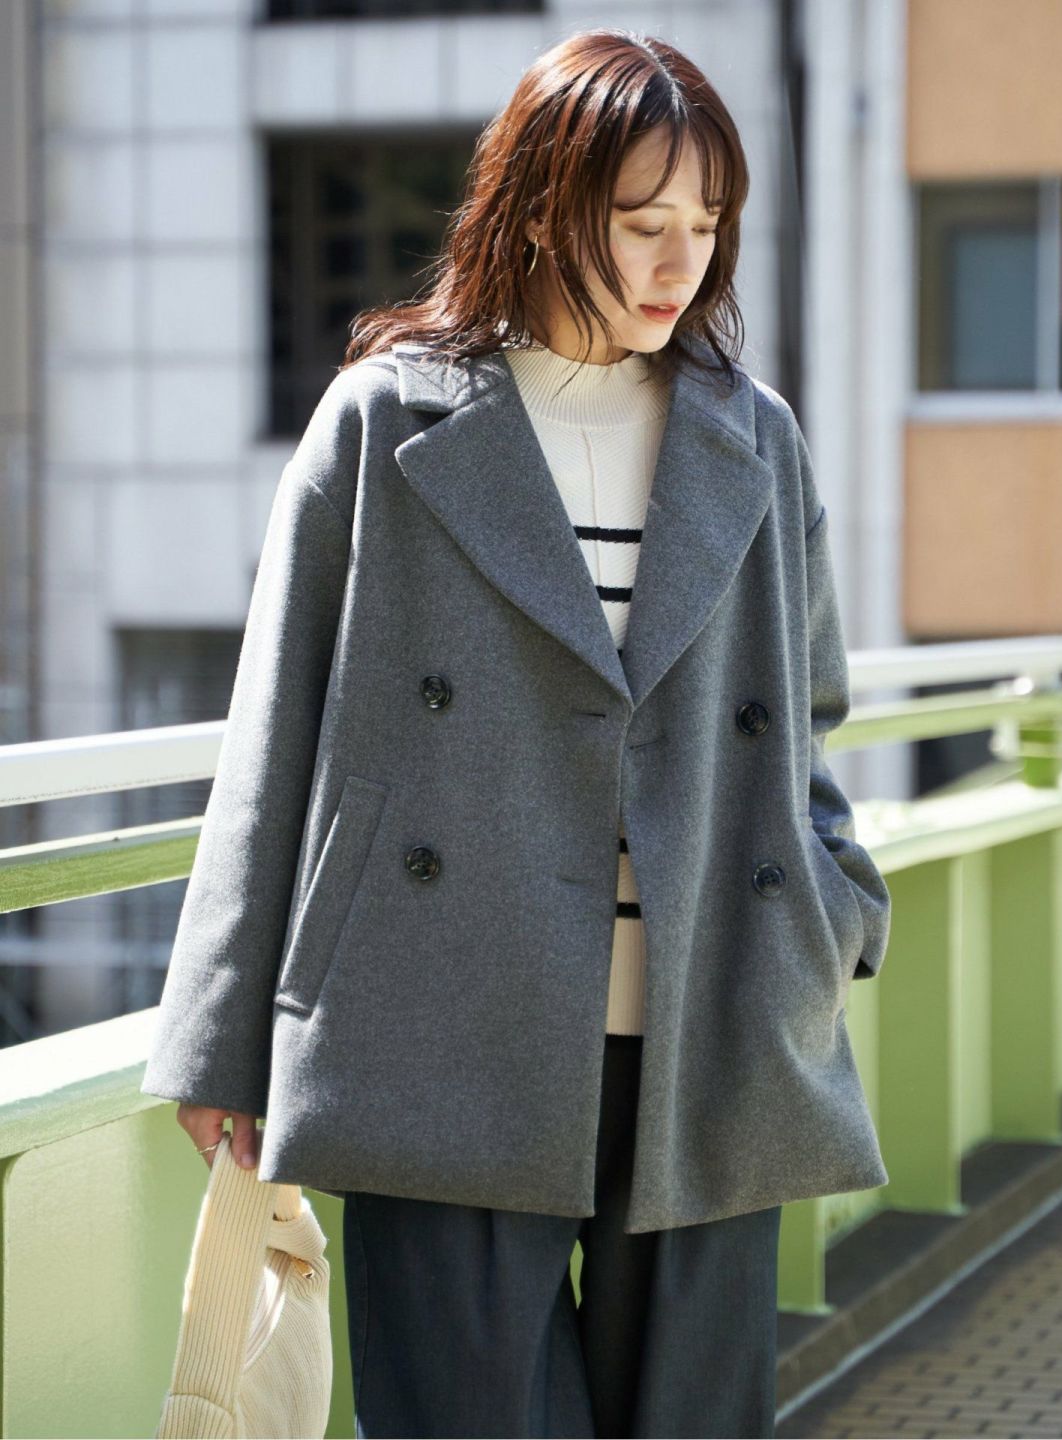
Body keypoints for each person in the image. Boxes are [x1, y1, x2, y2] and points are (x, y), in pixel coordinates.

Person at [148, 24, 892, 1440]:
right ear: (547, 208)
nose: (681, 263)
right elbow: (277, 732)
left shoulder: (752, 438)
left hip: (711, 1025)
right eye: (642, 224)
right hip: (440, 1026)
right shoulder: (387, 422)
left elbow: (803, 721)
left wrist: (833, 917)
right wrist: (220, 1041)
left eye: (706, 225)